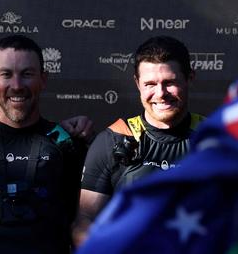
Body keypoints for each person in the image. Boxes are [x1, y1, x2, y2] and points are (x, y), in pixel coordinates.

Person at [0, 35, 87, 254]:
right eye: (6, 74)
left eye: (27, 74)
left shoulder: (67, 146)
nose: (17, 86)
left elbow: (84, 224)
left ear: (43, 79)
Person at [72, 35, 203, 247]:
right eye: (150, 84)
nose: (160, 94)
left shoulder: (214, 141)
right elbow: (85, 221)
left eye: (170, 83)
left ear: (189, 78)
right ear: (137, 83)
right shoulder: (114, 138)